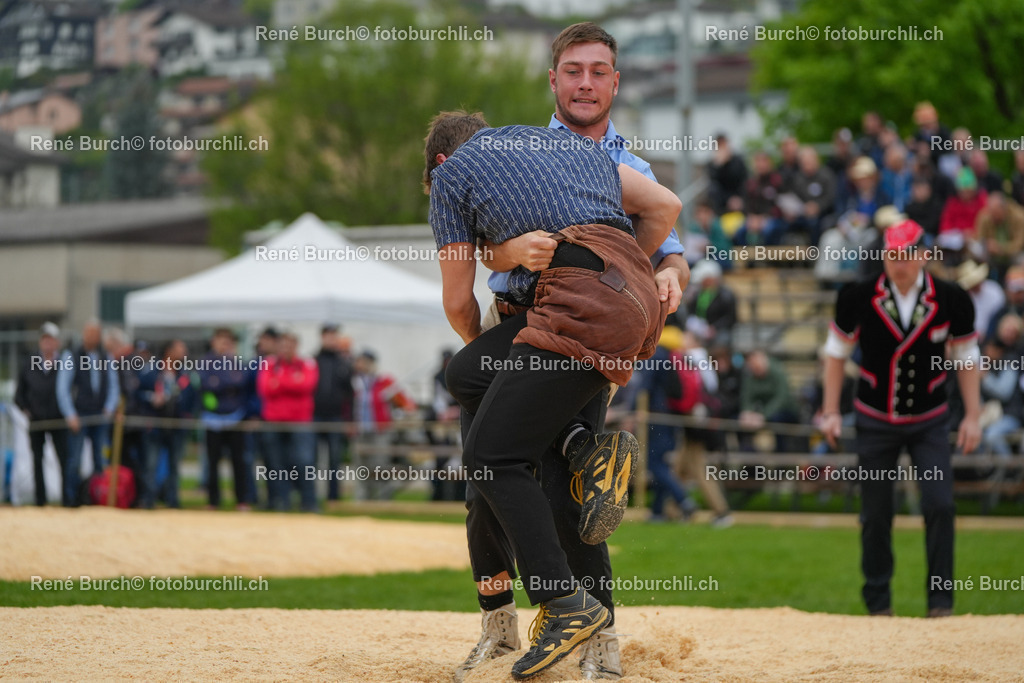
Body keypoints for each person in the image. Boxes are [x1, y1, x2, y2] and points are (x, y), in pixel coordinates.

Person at [448, 22, 689, 683]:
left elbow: (669, 249)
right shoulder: (517, 149)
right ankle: (498, 628)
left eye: (599, 71)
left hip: (578, 332)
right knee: (485, 488)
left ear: (615, 81)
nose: (585, 82)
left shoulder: (631, 167)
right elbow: (480, 245)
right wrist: (510, 250)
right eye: (573, 70)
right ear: (552, 80)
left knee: (564, 495)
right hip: (512, 325)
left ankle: (600, 640)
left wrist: (661, 274)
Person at [822, 219, 981, 617]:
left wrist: (973, 416)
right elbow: (835, 355)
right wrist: (828, 412)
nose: (899, 264)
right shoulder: (858, 296)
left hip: (930, 419)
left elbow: (966, 359)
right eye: (891, 256)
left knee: (940, 505)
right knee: (875, 513)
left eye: (906, 255)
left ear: (924, 255)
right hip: (875, 419)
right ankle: (879, 605)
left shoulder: (952, 298)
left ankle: (940, 602)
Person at [56, 319, 120, 506]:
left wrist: (109, 408)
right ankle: (70, 500)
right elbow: (63, 388)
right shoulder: (72, 355)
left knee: (100, 461)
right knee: (74, 461)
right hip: (79, 415)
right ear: (84, 334)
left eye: (96, 333)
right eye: (89, 332)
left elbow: (113, 386)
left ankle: (97, 498)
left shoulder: (105, 356)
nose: (93, 337)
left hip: (100, 415)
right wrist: (70, 414)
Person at [257, 330, 318, 512]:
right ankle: (280, 501)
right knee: (275, 463)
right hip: (273, 422)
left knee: (303, 462)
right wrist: (292, 382)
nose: (286, 349)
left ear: (296, 346)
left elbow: (307, 385)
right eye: (282, 345)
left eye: (290, 345)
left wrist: (280, 382)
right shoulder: (269, 364)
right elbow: (265, 389)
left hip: (300, 422)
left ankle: (308, 502)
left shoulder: (307, 363)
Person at [198, 328, 255, 510]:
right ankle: (213, 500)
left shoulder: (237, 362)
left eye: (229, 341)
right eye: (222, 340)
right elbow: (207, 385)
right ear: (214, 342)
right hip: (212, 418)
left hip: (235, 417)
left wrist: (222, 382)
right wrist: (227, 384)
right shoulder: (205, 362)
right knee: (213, 462)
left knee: (238, 461)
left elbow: (242, 383)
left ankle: (241, 500)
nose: (226, 344)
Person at [14, 322, 68, 506]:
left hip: (59, 420)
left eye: (51, 339)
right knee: (37, 461)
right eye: (45, 339)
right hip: (37, 421)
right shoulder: (30, 363)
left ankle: (67, 499)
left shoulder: (65, 363)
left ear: (57, 342)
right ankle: (40, 501)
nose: (48, 343)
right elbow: (19, 394)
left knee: (64, 460)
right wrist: (26, 409)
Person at [136, 339, 194, 509]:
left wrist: (187, 414)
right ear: (169, 351)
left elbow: (192, 398)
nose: (184, 353)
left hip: (176, 426)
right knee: (151, 464)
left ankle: (172, 499)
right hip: (154, 425)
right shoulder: (152, 372)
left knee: (174, 465)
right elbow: (137, 392)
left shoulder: (185, 375)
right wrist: (152, 398)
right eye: (180, 349)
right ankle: (149, 499)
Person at [313, 323, 354, 501]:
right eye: (328, 335)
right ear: (322, 337)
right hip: (314, 416)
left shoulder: (343, 364)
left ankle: (333, 497)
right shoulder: (313, 361)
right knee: (311, 459)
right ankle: (311, 496)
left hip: (336, 417)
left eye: (334, 336)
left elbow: (350, 395)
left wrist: (350, 420)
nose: (331, 339)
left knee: (334, 459)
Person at [976, 192, 1024, 278]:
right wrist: (987, 245)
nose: (993, 217)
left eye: (996, 214)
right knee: (976, 252)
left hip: (1012, 254)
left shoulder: (1019, 217)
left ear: (1003, 209)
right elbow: (979, 238)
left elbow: (1019, 245)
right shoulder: (985, 216)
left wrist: (1000, 249)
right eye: (991, 214)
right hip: (991, 254)